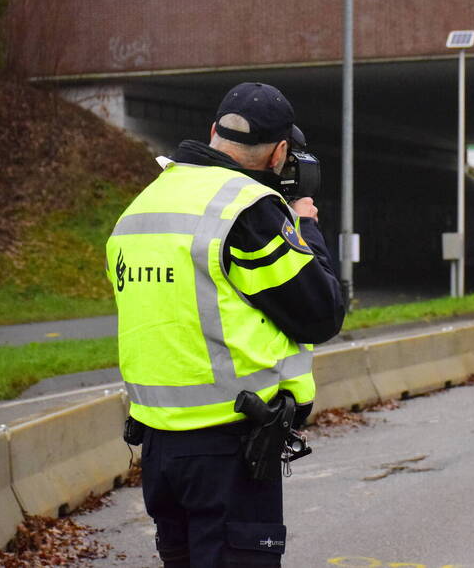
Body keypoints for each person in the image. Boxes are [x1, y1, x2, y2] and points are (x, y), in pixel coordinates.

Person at [106, 82, 345, 568]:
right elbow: (320, 311)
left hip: (157, 446)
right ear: (280, 152)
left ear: (214, 131)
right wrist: (305, 226)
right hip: (228, 447)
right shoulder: (247, 210)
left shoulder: (143, 204)